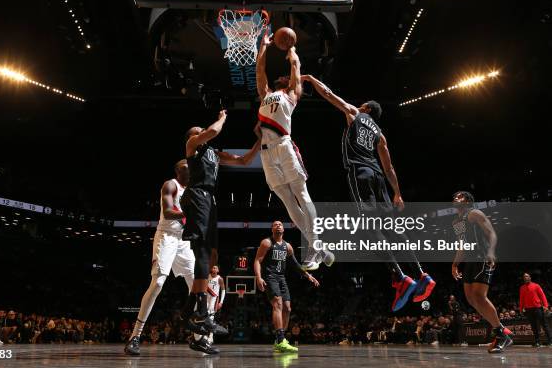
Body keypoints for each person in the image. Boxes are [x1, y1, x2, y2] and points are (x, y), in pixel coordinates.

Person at [303, 74, 435, 311]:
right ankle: (422, 274)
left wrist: (312, 80)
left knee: (370, 228)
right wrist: (398, 193)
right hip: (379, 179)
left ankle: (400, 277)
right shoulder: (380, 135)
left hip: (360, 172)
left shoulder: (355, 113)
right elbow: (389, 168)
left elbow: (329, 95)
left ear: (365, 108)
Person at [181, 110, 261, 354]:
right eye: (199, 131)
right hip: (197, 195)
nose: (202, 133)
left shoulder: (214, 154)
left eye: (201, 131)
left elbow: (245, 161)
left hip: (210, 200)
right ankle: (202, 313)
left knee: (211, 253)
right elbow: (213, 130)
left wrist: (261, 139)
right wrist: (223, 117)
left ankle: (190, 313)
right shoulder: (193, 145)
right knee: (203, 251)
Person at [256, 32, 334, 271]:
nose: (281, 76)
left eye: (286, 76)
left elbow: (295, 66)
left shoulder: (291, 94)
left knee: (301, 194)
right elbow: (260, 72)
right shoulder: (266, 94)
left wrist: (291, 49)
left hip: (284, 146)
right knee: (288, 201)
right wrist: (263, 47)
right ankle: (319, 247)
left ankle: (315, 245)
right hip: (267, 152)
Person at [124, 160, 196, 356]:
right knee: (158, 283)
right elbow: (168, 211)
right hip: (166, 236)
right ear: (178, 170)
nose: (188, 167)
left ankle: (200, 338)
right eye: (184, 166)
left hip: (183, 240)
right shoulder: (170, 184)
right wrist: (189, 217)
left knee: (196, 285)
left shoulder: (194, 189)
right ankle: (135, 336)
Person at [451, 191, 513, 353]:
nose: (456, 197)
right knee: (471, 299)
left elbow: (491, 233)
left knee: (479, 296)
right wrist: (455, 265)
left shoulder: (475, 213)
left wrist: (491, 252)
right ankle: (501, 330)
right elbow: (462, 246)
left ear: (468, 201)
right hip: (470, 261)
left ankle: (501, 335)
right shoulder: (457, 221)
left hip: (482, 256)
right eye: (455, 196)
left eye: (460, 196)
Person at [254, 221, 320, 353]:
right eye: (275, 224)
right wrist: (259, 277)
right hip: (270, 277)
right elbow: (257, 260)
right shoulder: (266, 243)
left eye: (280, 224)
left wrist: (308, 276)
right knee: (277, 304)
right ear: (272, 229)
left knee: (288, 309)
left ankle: (279, 340)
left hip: (281, 278)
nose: (278, 225)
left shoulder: (288, 247)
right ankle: (280, 340)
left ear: (283, 229)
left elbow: (296, 265)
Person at [193, 265, 225, 346]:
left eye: (216, 268)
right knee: (203, 315)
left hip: (214, 298)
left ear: (218, 270)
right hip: (206, 297)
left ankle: (211, 336)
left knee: (211, 317)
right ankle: (203, 335)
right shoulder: (207, 276)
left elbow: (223, 290)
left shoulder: (220, 279)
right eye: (213, 267)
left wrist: (221, 302)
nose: (214, 269)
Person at [519, 272, 551, 347]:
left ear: (530, 277)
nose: (525, 278)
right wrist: (521, 308)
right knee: (534, 326)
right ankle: (537, 342)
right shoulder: (522, 288)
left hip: (538, 308)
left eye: (527, 276)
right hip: (528, 309)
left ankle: (550, 341)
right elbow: (521, 299)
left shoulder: (536, 286)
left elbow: (542, 296)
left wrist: (546, 306)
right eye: (524, 277)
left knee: (544, 324)